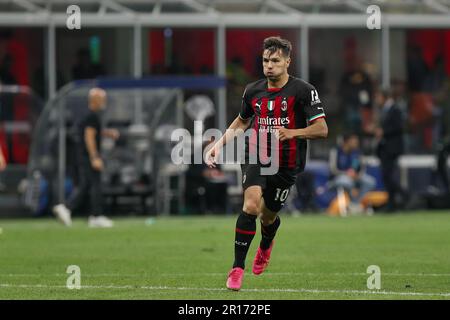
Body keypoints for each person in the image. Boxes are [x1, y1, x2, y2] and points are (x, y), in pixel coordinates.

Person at [205, 36, 328, 291]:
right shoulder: (253, 91)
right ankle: (237, 268)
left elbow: (322, 129)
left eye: (275, 61)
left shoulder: (304, 90)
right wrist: (218, 145)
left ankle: (265, 244)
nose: (269, 65)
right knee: (251, 205)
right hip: (257, 154)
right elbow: (241, 122)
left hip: (287, 163)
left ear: (287, 62)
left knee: (268, 215)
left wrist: (293, 132)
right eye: (265, 60)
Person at [53, 88, 119, 227]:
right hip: (88, 156)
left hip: (82, 156)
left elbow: (93, 132)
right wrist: (94, 157)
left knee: (86, 185)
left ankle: (67, 208)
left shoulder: (88, 115)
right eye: (102, 99)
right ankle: (94, 215)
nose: (104, 102)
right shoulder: (92, 116)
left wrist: (107, 133)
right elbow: (89, 137)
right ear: (94, 100)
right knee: (95, 185)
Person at [374, 89, 408, 212]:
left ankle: (403, 196)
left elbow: (399, 127)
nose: (376, 100)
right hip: (385, 148)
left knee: (387, 175)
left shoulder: (395, 109)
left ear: (384, 97)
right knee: (386, 176)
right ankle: (393, 202)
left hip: (392, 148)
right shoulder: (385, 110)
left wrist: (383, 132)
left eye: (378, 97)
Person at [329, 133, 376, 213]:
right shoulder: (336, 151)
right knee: (347, 182)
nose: (356, 144)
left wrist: (358, 175)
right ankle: (350, 204)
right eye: (354, 142)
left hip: (356, 177)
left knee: (370, 182)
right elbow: (333, 169)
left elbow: (362, 168)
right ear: (346, 142)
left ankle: (355, 203)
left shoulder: (358, 152)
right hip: (339, 177)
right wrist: (346, 173)